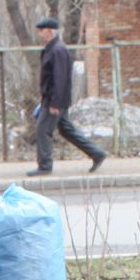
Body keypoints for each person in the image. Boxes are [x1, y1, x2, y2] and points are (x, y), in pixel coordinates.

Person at [28, 17, 106, 177]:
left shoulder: (57, 50)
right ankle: (97, 153)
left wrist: (55, 103)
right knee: (66, 130)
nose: (40, 34)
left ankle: (45, 166)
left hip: (54, 101)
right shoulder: (53, 49)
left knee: (43, 130)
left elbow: (60, 78)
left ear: (49, 31)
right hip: (52, 99)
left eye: (42, 31)